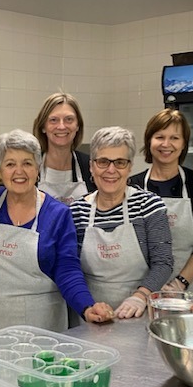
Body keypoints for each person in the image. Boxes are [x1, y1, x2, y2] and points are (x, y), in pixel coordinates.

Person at [0, 129, 113, 333]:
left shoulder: (57, 214)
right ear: (0, 170)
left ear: (38, 168)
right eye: (10, 164)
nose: (19, 171)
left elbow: (67, 268)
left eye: (27, 163)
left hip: (43, 327)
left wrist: (87, 306)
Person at [70, 126, 174, 318]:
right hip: (91, 314)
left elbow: (163, 263)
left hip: (139, 314)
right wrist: (87, 306)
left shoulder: (149, 205)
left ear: (130, 167)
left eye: (119, 162)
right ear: (91, 166)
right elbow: (71, 268)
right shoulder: (77, 211)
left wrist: (140, 296)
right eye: (103, 162)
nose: (111, 170)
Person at [129, 109, 193, 299]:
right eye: (159, 136)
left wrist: (180, 282)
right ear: (149, 141)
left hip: (188, 288)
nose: (166, 144)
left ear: (184, 143)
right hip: (142, 289)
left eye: (174, 138)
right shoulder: (133, 186)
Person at [32, 92, 96, 205]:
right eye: (53, 120)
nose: (61, 126)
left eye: (69, 119)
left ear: (77, 126)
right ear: (43, 127)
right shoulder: (30, 167)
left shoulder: (91, 167)